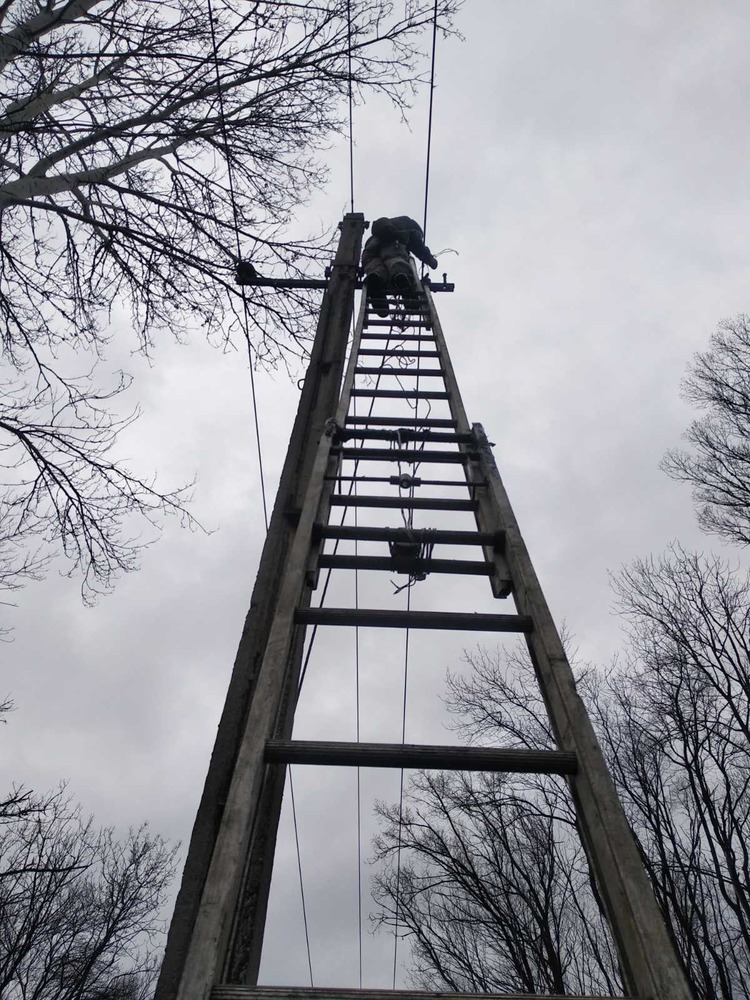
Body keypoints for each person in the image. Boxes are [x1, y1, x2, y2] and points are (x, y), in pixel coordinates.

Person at [361, 216, 438, 316]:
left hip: (370, 248)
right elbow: (418, 246)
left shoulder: (383, 229)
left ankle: (376, 282)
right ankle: (402, 282)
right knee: (397, 263)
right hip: (392, 244)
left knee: (376, 269)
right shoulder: (409, 228)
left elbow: (368, 259)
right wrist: (430, 260)